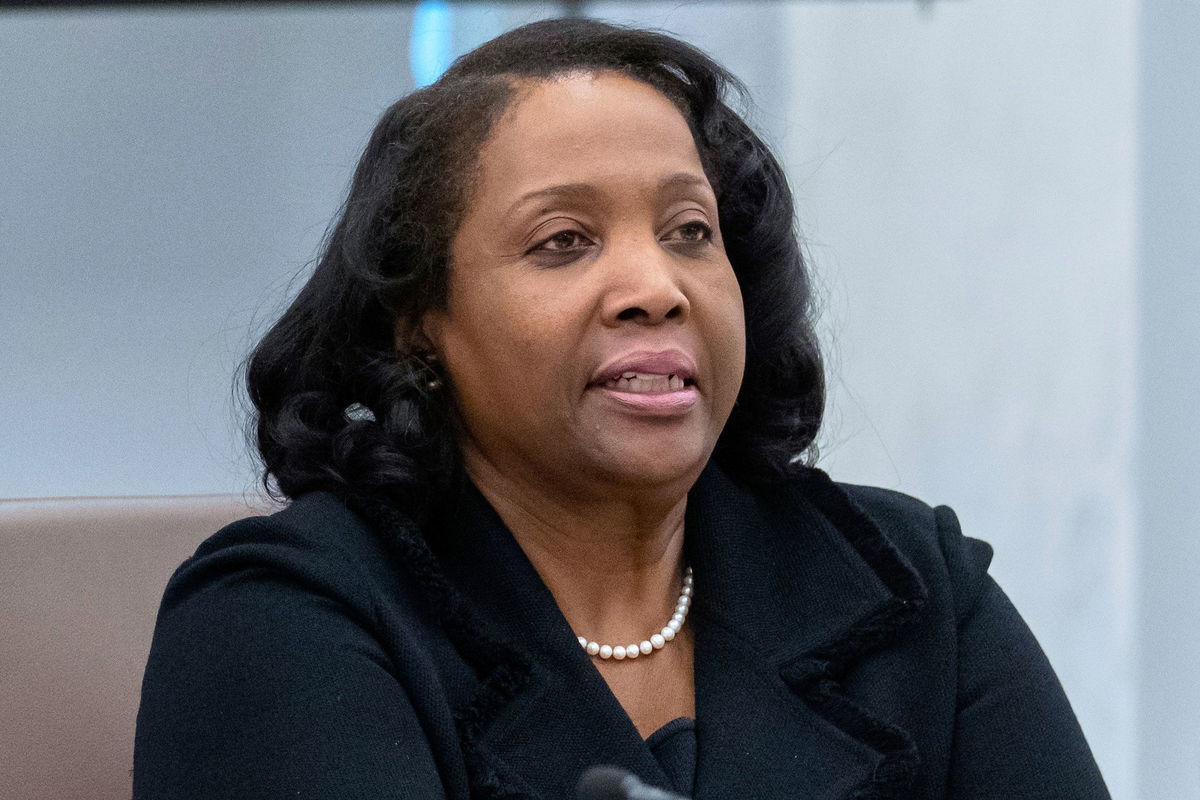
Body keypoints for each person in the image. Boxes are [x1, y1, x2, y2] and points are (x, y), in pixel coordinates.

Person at [133, 17, 1110, 800]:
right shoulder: (280, 619)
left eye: (692, 231)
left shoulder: (911, 585)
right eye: (563, 241)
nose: (657, 285)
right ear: (419, 319)